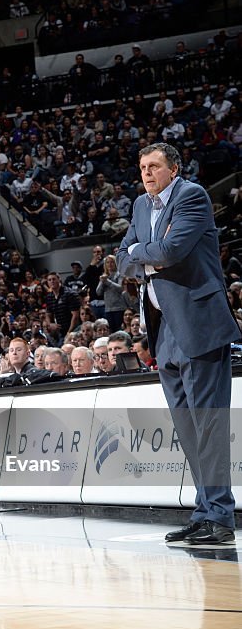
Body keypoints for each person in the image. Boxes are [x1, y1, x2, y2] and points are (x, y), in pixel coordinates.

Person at [117, 142, 239, 547]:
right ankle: (205, 512)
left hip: (198, 323)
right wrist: (142, 252)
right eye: (142, 167)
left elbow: (172, 250)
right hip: (163, 328)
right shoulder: (139, 205)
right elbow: (121, 258)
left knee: (209, 423)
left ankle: (220, 517)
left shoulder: (192, 195)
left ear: (174, 168)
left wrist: (143, 252)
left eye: (154, 166)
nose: (147, 173)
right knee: (187, 429)